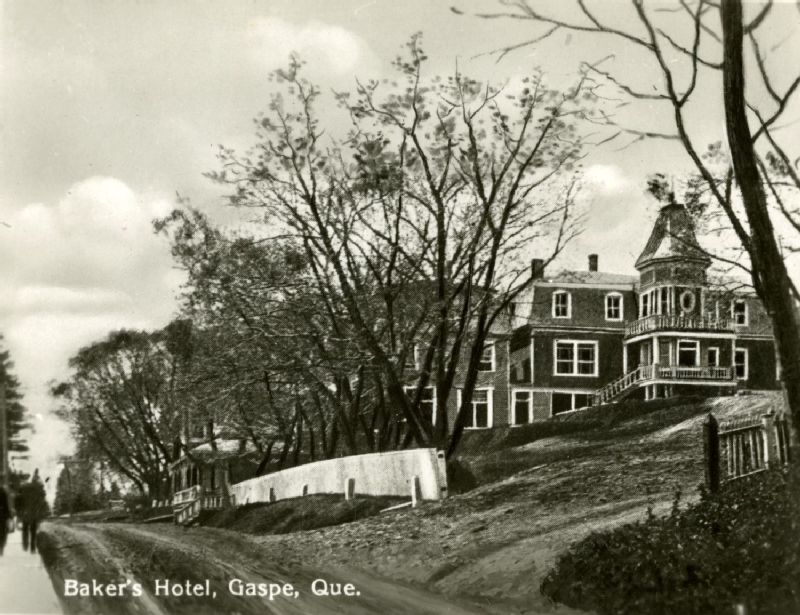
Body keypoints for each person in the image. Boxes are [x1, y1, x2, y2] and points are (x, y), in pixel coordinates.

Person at [14, 470, 49, 553]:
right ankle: (32, 548)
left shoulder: (22, 489)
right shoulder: (35, 489)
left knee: (25, 530)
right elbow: (39, 500)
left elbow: (17, 501)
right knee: (33, 531)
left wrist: (19, 511)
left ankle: (25, 545)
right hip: (33, 513)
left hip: (25, 513)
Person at [0, 485, 10, 555]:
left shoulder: (3, 491)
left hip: (2, 514)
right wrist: (8, 516)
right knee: (2, 532)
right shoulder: (2, 491)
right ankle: (1, 547)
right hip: (2, 514)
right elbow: (6, 505)